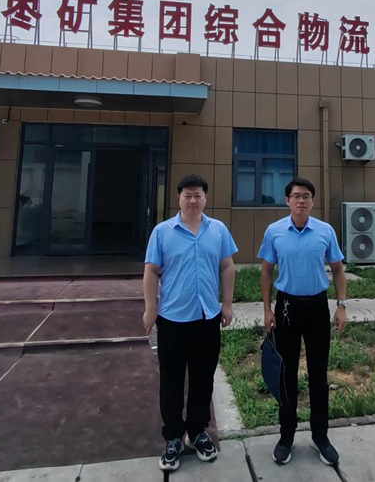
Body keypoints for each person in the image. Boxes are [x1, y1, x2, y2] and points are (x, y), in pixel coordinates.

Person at [143, 174, 238, 472]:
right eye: (187, 195)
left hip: (207, 319)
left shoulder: (218, 230)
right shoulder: (162, 232)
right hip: (172, 320)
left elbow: (227, 266)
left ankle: (197, 432)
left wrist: (227, 303)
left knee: (202, 380)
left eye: (198, 195)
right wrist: (150, 308)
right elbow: (151, 271)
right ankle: (173, 437)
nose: (193, 200)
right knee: (171, 381)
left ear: (205, 198)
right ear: (179, 198)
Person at [258, 177, 347, 466]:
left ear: (312, 201)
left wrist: (341, 305)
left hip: (317, 306)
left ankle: (321, 436)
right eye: (296, 196)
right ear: (287, 200)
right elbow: (266, 271)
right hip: (286, 307)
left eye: (306, 196)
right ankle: (286, 436)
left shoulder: (325, 231)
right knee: (287, 374)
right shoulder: (274, 231)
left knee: (318, 374)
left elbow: (337, 269)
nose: (301, 200)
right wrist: (267, 310)